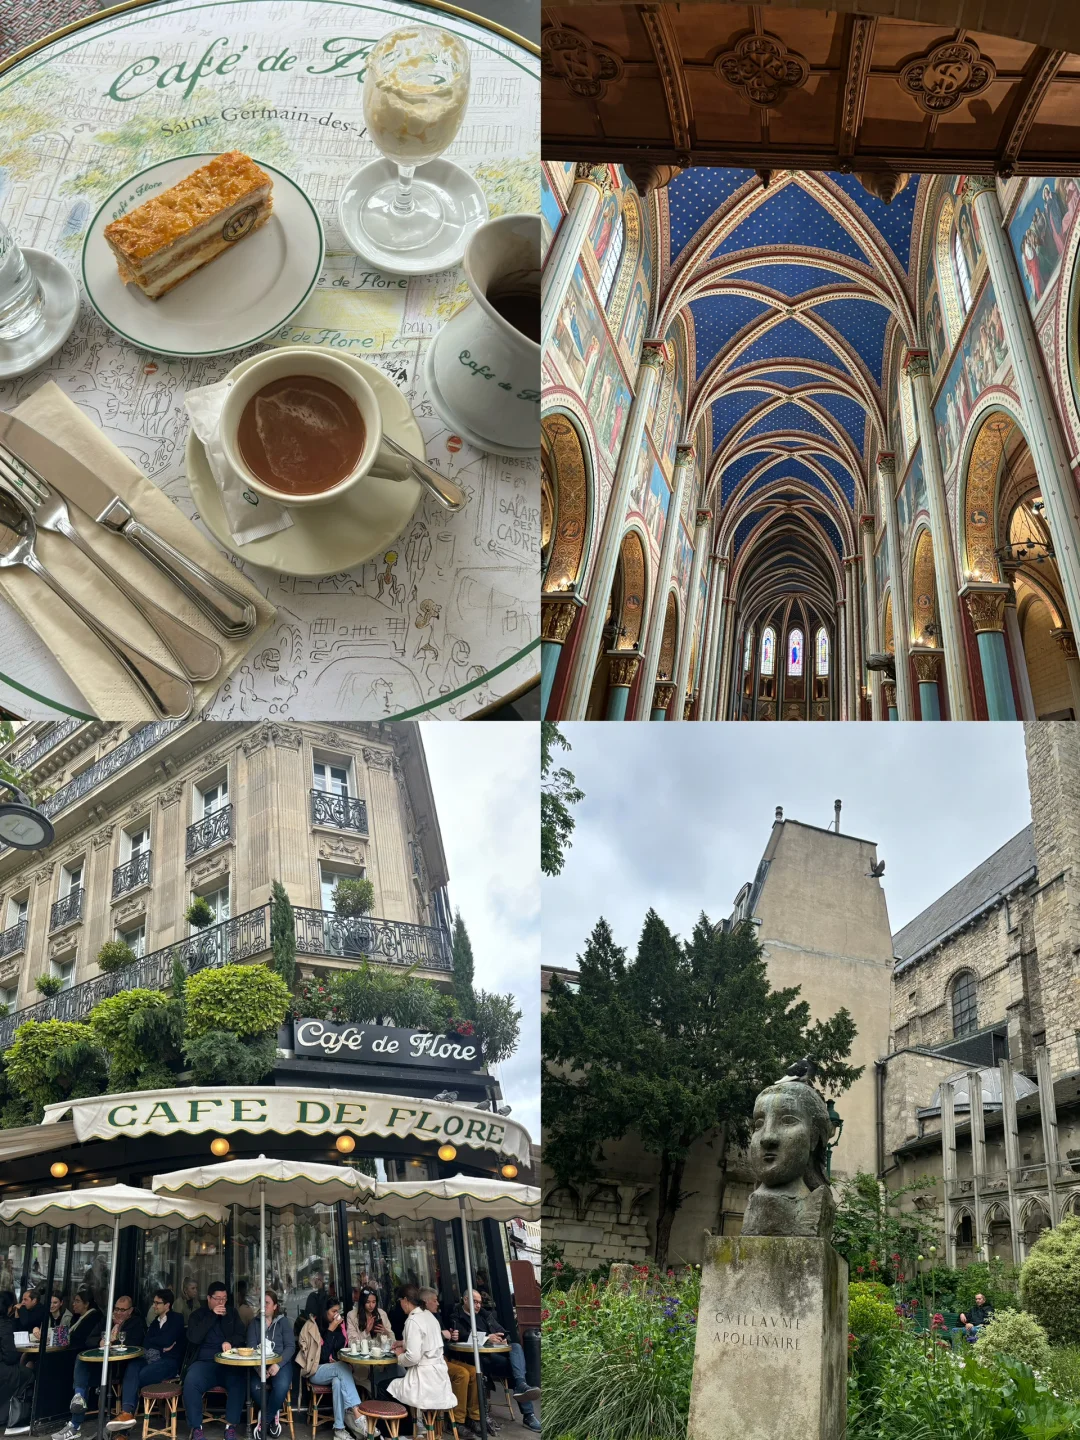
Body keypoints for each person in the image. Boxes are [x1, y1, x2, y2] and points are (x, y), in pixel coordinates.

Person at [449, 1290, 540, 1433]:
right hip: (478, 1359)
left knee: (515, 1348)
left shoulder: (485, 1315)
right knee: (518, 1369)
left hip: (496, 1357)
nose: (479, 1305)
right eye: (475, 1302)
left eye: (480, 1302)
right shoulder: (457, 1317)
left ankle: (521, 1384)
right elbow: (461, 1336)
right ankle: (528, 1413)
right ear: (465, 1300)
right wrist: (487, 1338)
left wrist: (503, 1338)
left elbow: (502, 1331)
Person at [54, 1294, 138, 1440]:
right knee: (81, 1360)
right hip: (102, 1367)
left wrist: (115, 1339)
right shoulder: (106, 1321)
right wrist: (101, 1341)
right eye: (116, 1309)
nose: (118, 1313)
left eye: (122, 1310)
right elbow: (89, 1340)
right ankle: (78, 1404)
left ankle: (81, 1424)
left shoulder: (135, 1322)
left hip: (121, 1368)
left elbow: (134, 1342)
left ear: (130, 1311)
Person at [106, 1288, 185, 1431]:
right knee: (133, 1366)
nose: (154, 1306)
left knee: (138, 1376)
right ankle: (127, 1412)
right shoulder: (155, 1322)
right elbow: (146, 1342)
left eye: (157, 1303)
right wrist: (162, 1344)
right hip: (150, 1359)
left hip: (169, 1362)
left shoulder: (177, 1318)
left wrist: (162, 1343)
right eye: (154, 1302)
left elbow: (167, 1339)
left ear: (167, 1305)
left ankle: (126, 1418)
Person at [386, 1288, 456, 1436]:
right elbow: (426, 1343)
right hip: (440, 1382)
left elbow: (412, 1358)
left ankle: (400, 1431)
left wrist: (399, 1356)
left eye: (400, 1302)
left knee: (386, 1387)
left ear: (405, 1300)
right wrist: (403, 1343)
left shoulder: (413, 1321)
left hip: (423, 1383)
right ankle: (419, 1425)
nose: (400, 1305)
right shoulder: (430, 1316)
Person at [183, 1282, 247, 1440]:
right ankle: (196, 1428)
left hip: (228, 1363)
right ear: (209, 1298)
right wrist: (212, 1315)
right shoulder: (198, 1315)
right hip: (204, 1363)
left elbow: (241, 1335)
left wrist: (230, 1342)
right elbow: (194, 1338)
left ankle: (230, 1426)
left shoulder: (232, 1313)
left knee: (239, 1379)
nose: (221, 1303)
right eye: (217, 1299)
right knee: (191, 1381)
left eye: (224, 1299)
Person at [295, 1298, 365, 1440]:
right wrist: (330, 1330)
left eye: (338, 1311)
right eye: (333, 1311)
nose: (336, 1315)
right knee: (341, 1368)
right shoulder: (313, 1327)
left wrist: (336, 1329)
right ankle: (358, 1414)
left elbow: (341, 1350)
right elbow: (322, 1356)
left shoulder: (340, 1326)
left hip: (337, 1371)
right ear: (324, 1311)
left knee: (338, 1381)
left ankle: (339, 1430)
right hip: (316, 1371)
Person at [424, 1290, 481, 1440]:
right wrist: (443, 1335)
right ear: (426, 1302)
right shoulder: (420, 1319)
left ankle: (474, 1417)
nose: (437, 1303)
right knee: (462, 1374)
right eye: (434, 1300)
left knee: (474, 1371)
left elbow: (445, 1337)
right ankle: (457, 1421)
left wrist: (449, 1336)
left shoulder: (436, 1316)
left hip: (446, 1357)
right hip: (433, 1362)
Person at [247, 1289, 295, 1440]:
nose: (264, 1306)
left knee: (281, 1386)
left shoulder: (283, 1322)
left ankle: (265, 1420)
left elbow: (290, 1347)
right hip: (258, 1364)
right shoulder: (254, 1324)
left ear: (275, 1306)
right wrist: (259, 1368)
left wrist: (277, 1365)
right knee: (254, 1387)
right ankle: (273, 1412)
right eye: (262, 1303)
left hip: (281, 1364)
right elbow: (251, 1347)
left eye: (267, 1303)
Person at [0, 1290, 36, 1436]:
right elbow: (9, 1355)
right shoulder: (4, 1324)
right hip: (3, 1369)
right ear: (9, 1307)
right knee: (27, 1374)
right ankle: (14, 1420)